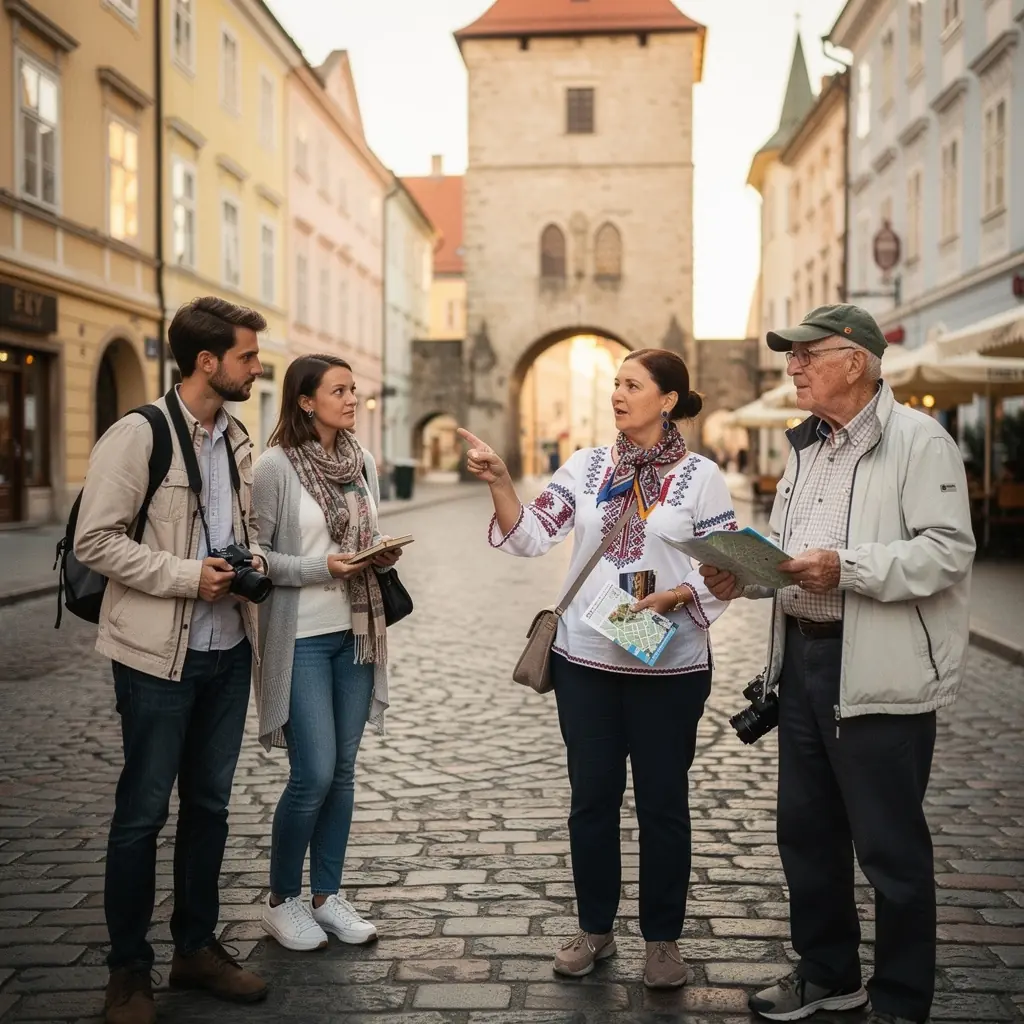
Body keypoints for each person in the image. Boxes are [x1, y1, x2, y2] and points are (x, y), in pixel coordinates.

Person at [701, 305, 975, 1024]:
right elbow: (797, 561)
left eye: (805, 354)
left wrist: (846, 567)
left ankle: (901, 1000)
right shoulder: (808, 448)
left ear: (853, 361)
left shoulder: (921, 440)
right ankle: (828, 972)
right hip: (803, 664)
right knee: (807, 834)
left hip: (877, 668)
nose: (792, 366)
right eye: (790, 356)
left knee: (891, 850)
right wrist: (748, 575)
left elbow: (948, 551)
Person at [460, 348, 738, 990]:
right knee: (591, 801)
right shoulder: (586, 467)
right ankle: (594, 928)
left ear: (667, 400)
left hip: (669, 666)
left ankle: (663, 941)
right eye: (615, 383)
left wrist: (678, 594)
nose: (618, 394)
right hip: (586, 658)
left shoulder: (701, 476)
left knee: (664, 805)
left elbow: (723, 569)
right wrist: (502, 479)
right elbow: (532, 533)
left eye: (632, 385)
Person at [75, 297, 271, 1024]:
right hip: (159, 654)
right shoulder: (138, 435)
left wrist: (246, 561)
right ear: (207, 362)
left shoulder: (238, 438)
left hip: (227, 650)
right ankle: (128, 972)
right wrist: (189, 575)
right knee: (141, 814)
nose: (258, 366)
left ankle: (196, 948)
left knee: (212, 808)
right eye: (248, 356)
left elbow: (231, 528)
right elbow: (97, 541)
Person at [252, 354, 400, 952]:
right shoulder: (274, 467)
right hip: (303, 636)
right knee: (311, 774)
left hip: (356, 634)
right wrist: (324, 566)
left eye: (354, 390)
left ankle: (326, 896)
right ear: (305, 400)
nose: (352, 399)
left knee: (341, 773)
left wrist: (378, 555)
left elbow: (362, 536)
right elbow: (255, 556)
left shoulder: (360, 460)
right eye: (339, 391)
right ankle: (282, 900)